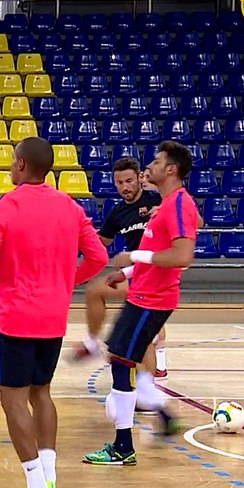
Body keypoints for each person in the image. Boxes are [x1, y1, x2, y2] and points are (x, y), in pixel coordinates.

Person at [0, 137, 108, 488]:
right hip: (53, 316)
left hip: (17, 316)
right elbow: (99, 256)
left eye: (11, 162)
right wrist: (68, 280)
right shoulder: (69, 207)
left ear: (22, 165)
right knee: (41, 393)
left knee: (11, 397)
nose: (10, 168)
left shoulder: (7, 206)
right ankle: (50, 480)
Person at [83, 141, 199, 467]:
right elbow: (163, 252)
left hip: (153, 299)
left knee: (123, 362)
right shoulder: (169, 204)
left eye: (159, 161)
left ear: (171, 169)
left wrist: (133, 256)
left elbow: (182, 256)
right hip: (141, 292)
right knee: (122, 360)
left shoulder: (177, 205)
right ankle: (154, 421)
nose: (153, 165)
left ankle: (125, 446)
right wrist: (130, 271)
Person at [72, 158, 169, 376]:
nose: (125, 187)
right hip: (135, 272)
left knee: (145, 324)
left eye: (129, 181)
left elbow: (184, 215)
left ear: (139, 179)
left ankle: (154, 371)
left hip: (158, 272)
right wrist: (74, 240)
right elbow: (100, 243)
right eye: (119, 183)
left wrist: (163, 210)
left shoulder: (156, 199)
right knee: (95, 290)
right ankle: (93, 342)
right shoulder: (117, 213)